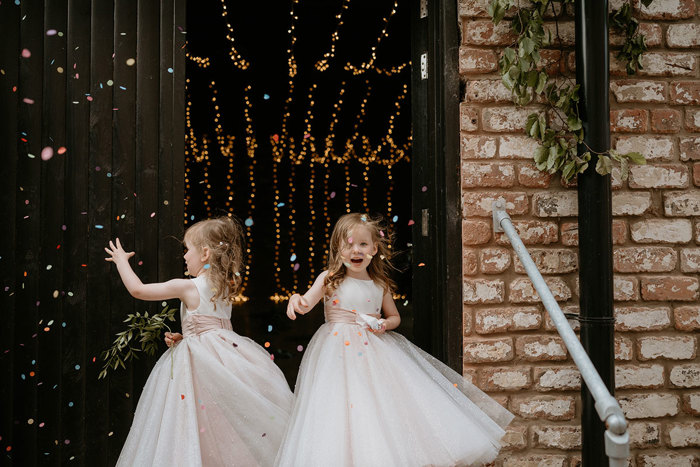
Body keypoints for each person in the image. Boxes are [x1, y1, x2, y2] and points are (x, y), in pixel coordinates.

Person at [275, 213, 513, 467]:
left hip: (372, 351)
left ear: (374, 248)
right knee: (339, 407)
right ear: (338, 248)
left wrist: (383, 324)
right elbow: (306, 303)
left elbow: (395, 317)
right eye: (349, 244)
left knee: (374, 407)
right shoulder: (329, 278)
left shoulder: (379, 284)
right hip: (336, 352)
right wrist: (295, 300)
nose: (356, 250)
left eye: (363, 244)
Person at [105, 216, 293, 467]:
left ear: (204, 253)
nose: (184, 256)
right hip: (227, 359)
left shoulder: (188, 286)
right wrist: (187, 335)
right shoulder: (225, 287)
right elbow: (211, 327)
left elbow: (138, 290)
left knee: (191, 421)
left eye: (187, 249)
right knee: (223, 422)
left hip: (198, 368)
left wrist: (120, 261)